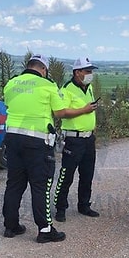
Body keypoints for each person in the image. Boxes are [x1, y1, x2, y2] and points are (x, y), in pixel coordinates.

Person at [2, 54, 95, 243]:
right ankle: (45, 229)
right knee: (41, 185)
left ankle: (10, 225)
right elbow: (60, 112)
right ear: (43, 69)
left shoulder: (11, 84)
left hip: (12, 139)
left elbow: (8, 105)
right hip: (37, 142)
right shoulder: (47, 85)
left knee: (14, 183)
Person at [53, 57, 100, 222]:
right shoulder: (66, 89)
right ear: (77, 72)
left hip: (88, 138)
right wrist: (84, 110)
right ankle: (60, 208)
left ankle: (84, 205)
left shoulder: (89, 87)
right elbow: (61, 112)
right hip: (73, 139)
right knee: (67, 174)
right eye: (87, 71)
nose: (90, 74)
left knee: (87, 174)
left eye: (91, 71)